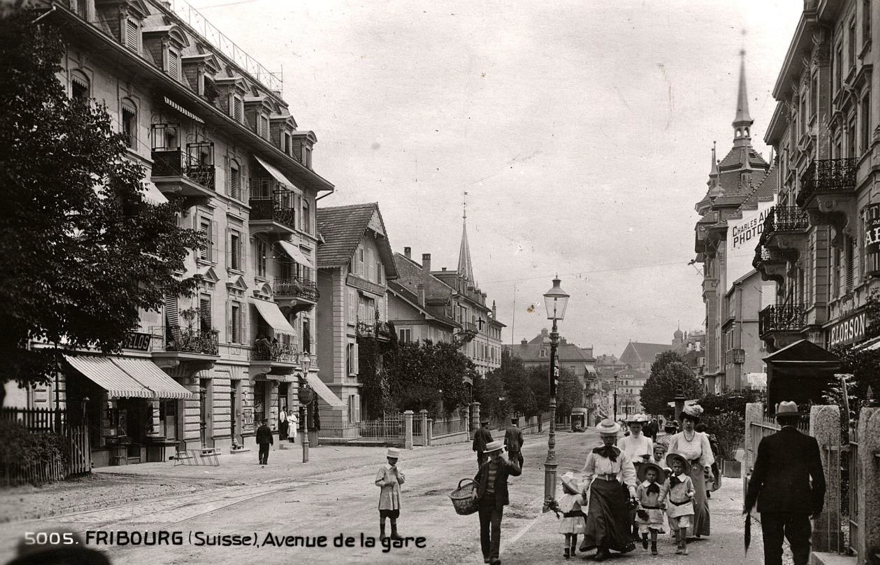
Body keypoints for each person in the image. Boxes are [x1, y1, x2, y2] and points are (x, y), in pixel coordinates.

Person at [744, 401, 826, 565]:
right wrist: (817, 506)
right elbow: (819, 479)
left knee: (772, 549)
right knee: (801, 548)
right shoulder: (809, 443)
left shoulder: (767, 443)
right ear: (796, 420)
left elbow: (757, 477)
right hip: (798, 504)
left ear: (778, 421)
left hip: (771, 504)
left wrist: (749, 503)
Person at [578, 419, 638, 561]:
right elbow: (588, 471)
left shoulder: (621, 454)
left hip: (614, 488)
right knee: (598, 517)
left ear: (615, 437)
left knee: (614, 519)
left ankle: (611, 546)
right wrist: (585, 486)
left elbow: (629, 472)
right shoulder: (594, 453)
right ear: (601, 437)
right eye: (606, 437)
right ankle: (601, 548)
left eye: (611, 437)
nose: (609, 440)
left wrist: (632, 489)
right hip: (598, 487)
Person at [471, 440, 522, 565]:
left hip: (496, 502)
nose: (495, 457)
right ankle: (486, 555)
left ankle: (494, 556)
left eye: (497, 454)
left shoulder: (504, 467)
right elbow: (476, 480)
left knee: (495, 527)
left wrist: (507, 460)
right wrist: (474, 490)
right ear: (489, 455)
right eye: (492, 454)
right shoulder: (484, 467)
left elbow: (517, 471)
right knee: (484, 529)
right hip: (483, 501)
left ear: (500, 453)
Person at [667, 405, 714, 538]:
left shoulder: (701, 437)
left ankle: (696, 530)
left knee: (698, 501)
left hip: (696, 470)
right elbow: (670, 455)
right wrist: (671, 472)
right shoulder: (676, 438)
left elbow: (706, 455)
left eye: (691, 421)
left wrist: (708, 468)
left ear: (695, 422)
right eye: (686, 421)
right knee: (680, 499)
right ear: (682, 422)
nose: (688, 424)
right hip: (680, 470)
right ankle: (680, 531)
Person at [617, 414, 653, 541]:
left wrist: (647, 459)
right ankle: (627, 531)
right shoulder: (623, 441)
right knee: (628, 502)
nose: (636, 429)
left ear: (642, 427)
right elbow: (618, 459)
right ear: (629, 427)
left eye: (638, 427)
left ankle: (637, 531)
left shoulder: (647, 441)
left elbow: (652, 459)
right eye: (633, 427)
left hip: (642, 472)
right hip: (628, 472)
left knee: (640, 502)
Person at [665, 452, 696, 555]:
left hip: (684, 505)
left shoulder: (687, 479)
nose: (677, 469)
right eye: (675, 467)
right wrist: (660, 501)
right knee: (676, 527)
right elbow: (664, 490)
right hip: (673, 505)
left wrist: (690, 494)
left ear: (683, 468)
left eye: (679, 467)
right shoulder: (669, 479)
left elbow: (692, 490)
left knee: (683, 525)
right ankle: (678, 545)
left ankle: (684, 545)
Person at [634, 462, 667, 556]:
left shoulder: (659, 487)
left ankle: (654, 546)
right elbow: (637, 498)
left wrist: (663, 505)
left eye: (654, 475)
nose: (651, 477)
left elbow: (663, 497)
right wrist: (639, 508)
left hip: (655, 510)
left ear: (657, 476)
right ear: (645, 475)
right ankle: (644, 538)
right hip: (644, 510)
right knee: (644, 528)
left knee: (654, 529)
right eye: (649, 474)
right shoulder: (641, 487)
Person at [375, 447, 406, 541]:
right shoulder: (383, 469)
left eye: (396, 459)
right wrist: (386, 483)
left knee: (394, 515)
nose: (394, 461)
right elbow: (377, 481)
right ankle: (382, 533)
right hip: (386, 496)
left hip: (395, 496)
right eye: (392, 459)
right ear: (388, 458)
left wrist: (397, 473)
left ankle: (394, 533)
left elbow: (402, 481)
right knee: (383, 514)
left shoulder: (399, 469)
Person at [557, 472, 586, 559]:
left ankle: (572, 549)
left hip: (576, 518)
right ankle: (566, 551)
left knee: (574, 535)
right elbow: (562, 508)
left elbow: (583, 503)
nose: (563, 488)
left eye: (564, 487)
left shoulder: (577, 497)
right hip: (568, 519)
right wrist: (556, 508)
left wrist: (584, 497)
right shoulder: (565, 498)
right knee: (567, 535)